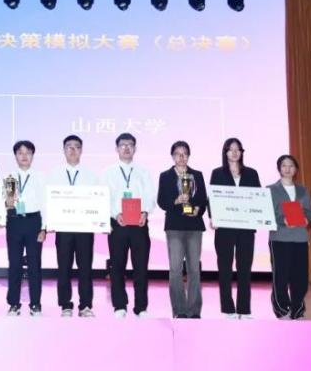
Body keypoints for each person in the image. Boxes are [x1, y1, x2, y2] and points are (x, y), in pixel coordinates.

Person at [102, 133, 155, 318]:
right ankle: (119, 306)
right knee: (117, 267)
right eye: (122, 145)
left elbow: (150, 195)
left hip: (139, 224)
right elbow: (104, 197)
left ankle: (141, 307)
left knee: (141, 268)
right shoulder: (108, 172)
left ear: (135, 148)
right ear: (117, 148)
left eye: (130, 145)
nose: (126, 148)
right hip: (118, 224)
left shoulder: (143, 171)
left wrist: (145, 212)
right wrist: (114, 213)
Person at [209, 137, 261, 319]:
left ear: (241, 152)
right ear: (225, 152)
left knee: (245, 268)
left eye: (238, 149)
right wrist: (213, 217)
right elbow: (212, 198)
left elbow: (258, 198)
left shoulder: (252, 173)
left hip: (246, 229)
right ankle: (228, 309)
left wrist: (259, 217)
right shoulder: (217, 173)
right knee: (225, 269)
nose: (234, 152)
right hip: (224, 228)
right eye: (230, 149)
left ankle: (244, 310)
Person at [157, 140, 208, 319]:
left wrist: (198, 209)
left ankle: (194, 310)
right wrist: (175, 201)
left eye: (184, 153)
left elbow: (203, 200)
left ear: (188, 156)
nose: (181, 157)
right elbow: (161, 201)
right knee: (175, 269)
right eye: (178, 154)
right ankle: (179, 310)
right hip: (174, 226)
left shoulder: (197, 175)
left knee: (194, 269)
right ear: (172, 156)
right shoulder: (165, 176)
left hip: (194, 226)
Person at [49, 134, 99, 317]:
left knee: (85, 268)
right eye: (69, 146)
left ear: (81, 150)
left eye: (76, 147)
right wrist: (47, 224)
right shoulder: (54, 174)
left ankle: (85, 305)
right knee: (64, 268)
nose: (72, 150)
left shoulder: (91, 175)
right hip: (63, 229)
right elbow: (48, 201)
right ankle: (65, 305)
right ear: (63, 150)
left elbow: (97, 200)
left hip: (85, 229)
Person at [4, 140, 47, 316]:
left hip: (33, 222)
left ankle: (35, 304)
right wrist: (7, 203)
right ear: (15, 155)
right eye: (20, 153)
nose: (24, 156)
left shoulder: (40, 177)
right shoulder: (9, 177)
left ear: (32, 156)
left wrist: (44, 228)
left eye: (27, 152)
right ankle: (14, 303)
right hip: (14, 221)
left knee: (34, 265)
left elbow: (45, 203)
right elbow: (5, 203)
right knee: (14, 264)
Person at [268, 154, 311, 320]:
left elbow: (308, 211)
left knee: (300, 277)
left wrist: (307, 218)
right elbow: (267, 213)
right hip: (279, 238)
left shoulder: (302, 190)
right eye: (284, 166)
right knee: (280, 277)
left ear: (296, 169)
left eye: (291, 165)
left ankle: (297, 309)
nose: (287, 169)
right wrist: (282, 220)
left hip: (300, 237)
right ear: (279, 169)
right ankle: (281, 309)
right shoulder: (270, 189)